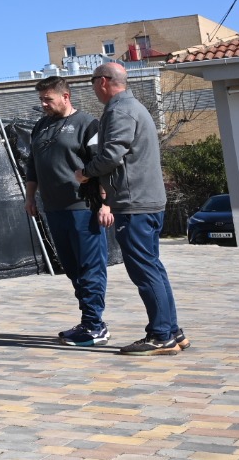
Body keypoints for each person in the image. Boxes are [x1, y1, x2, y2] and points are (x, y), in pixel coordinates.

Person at [78, 62, 189, 355]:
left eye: (92, 82)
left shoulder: (119, 110)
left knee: (144, 271)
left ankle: (160, 336)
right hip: (145, 201)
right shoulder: (134, 108)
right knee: (153, 268)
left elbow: (112, 154)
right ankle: (172, 331)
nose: (92, 87)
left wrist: (86, 172)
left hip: (135, 204)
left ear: (103, 81)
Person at [26, 76, 108, 346]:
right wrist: (30, 198)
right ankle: (89, 320)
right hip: (54, 208)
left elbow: (102, 164)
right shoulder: (41, 126)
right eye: (41, 99)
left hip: (83, 207)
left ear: (65, 96)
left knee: (90, 267)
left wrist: (106, 202)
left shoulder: (87, 123)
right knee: (72, 268)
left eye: (48, 99)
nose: (44, 104)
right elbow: (33, 167)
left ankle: (95, 326)